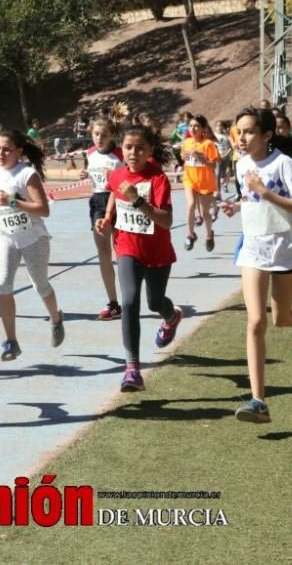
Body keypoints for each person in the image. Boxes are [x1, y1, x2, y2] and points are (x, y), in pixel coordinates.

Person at [218, 107, 292, 423]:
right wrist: (238, 204)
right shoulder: (241, 164)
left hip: (287, 249)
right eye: (238, 131)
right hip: (254, 249)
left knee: (280, 318)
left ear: (267, 135)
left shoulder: (285, 164)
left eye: (248, 131)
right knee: (256, 321)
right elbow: (252, 199)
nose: (241, 138)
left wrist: (265, 192)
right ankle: (258, 401)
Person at [94, 124, 182, 392]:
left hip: (156, 253)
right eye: (129, 147)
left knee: (155, 302)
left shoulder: (158, 179)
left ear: (150, 151)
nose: (134, 153)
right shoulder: (118, 174)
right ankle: (132, 369)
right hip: (127, 248)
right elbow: (113, 191)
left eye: (140, 148)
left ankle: (172, 317)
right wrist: (107, 218)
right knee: (130, 301)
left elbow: (166, 221)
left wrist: (138, 202)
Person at [0, 129, 64, 361]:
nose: (1, 153)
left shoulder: (27, 174)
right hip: (6, 237)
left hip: (33, 239)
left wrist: (13, 202)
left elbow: (43, 209)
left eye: (7, 149)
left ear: (19, 151)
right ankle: (11, 341)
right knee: (3, 286)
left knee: (40, 285)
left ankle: (56, 318)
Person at [79, 119, 123, 320]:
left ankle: (131, 296)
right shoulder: (89, 154)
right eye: (96, 134)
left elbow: (130, 179)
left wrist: (116, 177)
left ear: (111, 135)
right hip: (98, 202)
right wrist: (84, 173)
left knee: (123, 253)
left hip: (120, 202)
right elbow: (93, 177)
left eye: (104, 135)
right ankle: (113, 303)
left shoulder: (121, 155)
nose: (99, 138)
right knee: (103, 253)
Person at [180, 115, 220, 252]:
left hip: (205, 182)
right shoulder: (187, 142)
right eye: (191, 126)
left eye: (196, 126)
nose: (193, 128)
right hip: (189, 178)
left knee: (204, 214)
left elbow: (213, 165)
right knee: (191, 205)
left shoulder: (208, 144)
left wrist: (201, 159)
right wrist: (184, 157)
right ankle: (190, 234)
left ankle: (209, 234)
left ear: (203, 128)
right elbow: (183, 156)